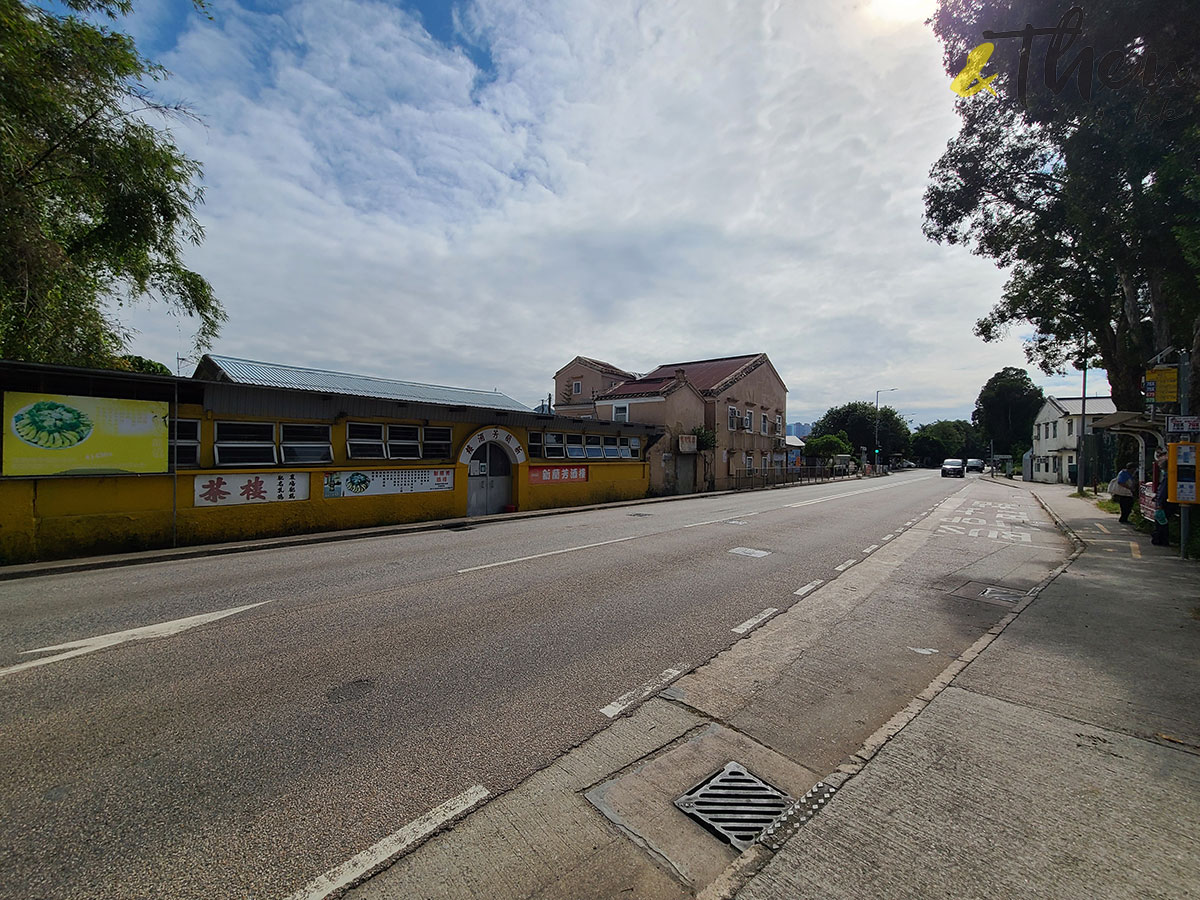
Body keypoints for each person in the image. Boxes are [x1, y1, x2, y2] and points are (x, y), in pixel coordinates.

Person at [1152, 449, 1171, 546]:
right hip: (1164, 503)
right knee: (1161, 522)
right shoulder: (1167, 477)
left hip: (1164, 504)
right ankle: (1161, 539)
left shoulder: (1168, 477)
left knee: (1161, 523)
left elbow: (1163, 491)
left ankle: (1162, 540)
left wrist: (1159, 503)